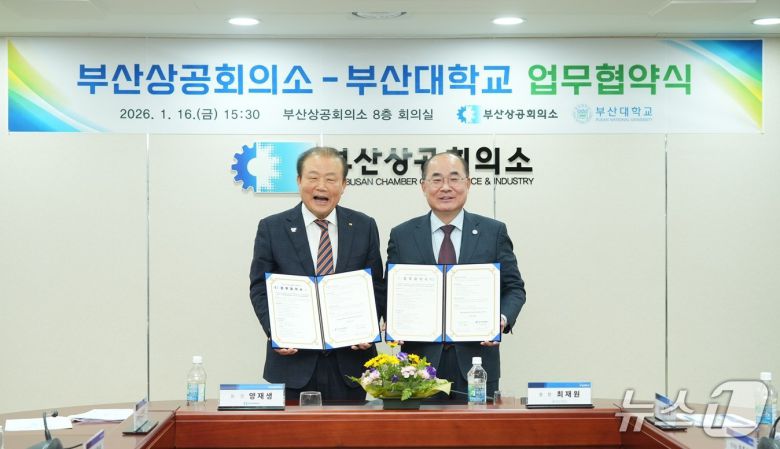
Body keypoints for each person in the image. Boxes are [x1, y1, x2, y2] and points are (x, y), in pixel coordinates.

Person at [249, 146, 385, 402]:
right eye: (313, 177)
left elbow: (376, 285)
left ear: (344, 185)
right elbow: (259, 287)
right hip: (292, 363)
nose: (321, 186)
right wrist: (276, 331)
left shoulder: (364, 226)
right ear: (299, 180)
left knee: (349, 429)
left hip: (350, 364)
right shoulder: (272, 227)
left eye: (331, 179)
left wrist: (368, 328)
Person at [386, 151, 525, 399]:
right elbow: (390, 292)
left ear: (468, 183)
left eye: (454, 179)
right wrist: (391, 320)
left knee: (478, 425)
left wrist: (501, 319)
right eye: (436, 179)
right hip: (417, 367)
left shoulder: (493, 232)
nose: (445, 187)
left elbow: (514, 288)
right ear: (423, 186)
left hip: (477, 364)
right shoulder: (402, 235)